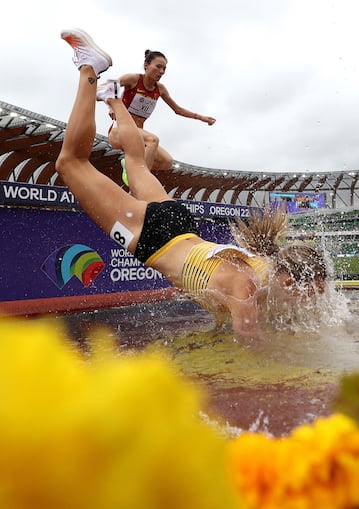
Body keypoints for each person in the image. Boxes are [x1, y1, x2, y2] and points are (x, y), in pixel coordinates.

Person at [57, 29, 329, 343]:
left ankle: (112, 97)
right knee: (70, 164)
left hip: (179, 224)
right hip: (155, 237)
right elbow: (257, 355)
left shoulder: (268, 268)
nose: (311, 303)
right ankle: (89, 69)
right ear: (287, 281)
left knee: (135, 161)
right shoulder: (247, 290)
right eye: (311, 294)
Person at [101, 48, 216, 183]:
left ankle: (129, 164)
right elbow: (108, 86)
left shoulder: (160, 89)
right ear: (146, 65)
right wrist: (111, 106)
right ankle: (141, 181)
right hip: (119, 131)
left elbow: (177, 109)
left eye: (164, 69)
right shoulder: (133, 79)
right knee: (153, 140)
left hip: (138, 136)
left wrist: (202, 118)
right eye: (158, 67)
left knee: (166, 162)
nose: (161, 72)